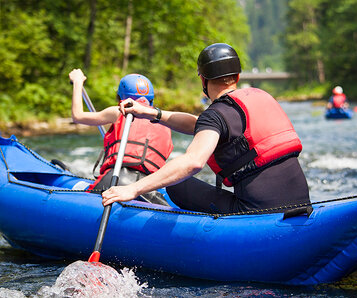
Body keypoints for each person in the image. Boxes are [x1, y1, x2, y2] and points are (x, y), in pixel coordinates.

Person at [102, 43, 310, 214]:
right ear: (237, 77)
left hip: (257, 212)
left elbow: (193, 162)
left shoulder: (216, 115)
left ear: (203, 79)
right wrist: (152, 113)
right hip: (300, 203)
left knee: (177, 185)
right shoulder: (258, 98)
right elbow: (200, 125)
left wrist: (133, 189)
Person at [69, 69, 173, 205]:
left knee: (79, 189)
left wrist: (77, 82)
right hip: (148, 188)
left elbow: (77, 116)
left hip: (114, 180)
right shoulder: (166, 120)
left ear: (121, 98)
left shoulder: (119, 111)